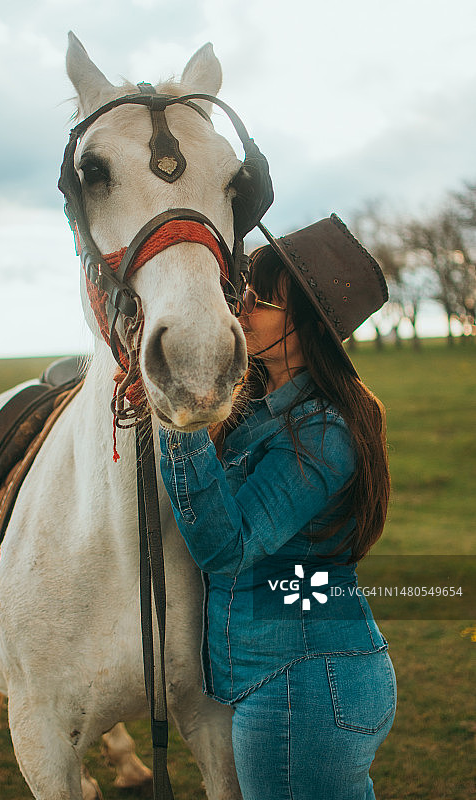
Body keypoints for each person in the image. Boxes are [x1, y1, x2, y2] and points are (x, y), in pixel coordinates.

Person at [159, 213, 396, 800]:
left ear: (307, 326)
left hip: (306, 684)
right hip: (291, 681)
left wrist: (179, 419)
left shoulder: (324, 432)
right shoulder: (260, 416)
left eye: (263, 300)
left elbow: (227, 548)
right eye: (245, 290)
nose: (241, 306)